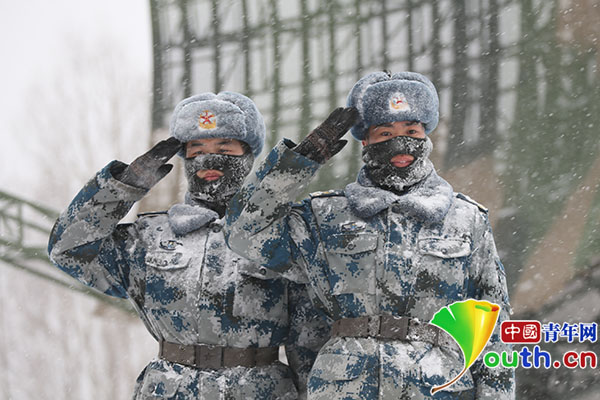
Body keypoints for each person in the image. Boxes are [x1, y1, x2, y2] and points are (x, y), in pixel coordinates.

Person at [224, 72, 515, 399]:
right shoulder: (326, 216)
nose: (400, 142)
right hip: (347, 387)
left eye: (412, 130)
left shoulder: (466, 219)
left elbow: (495, 328)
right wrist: (302, 160)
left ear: (428, 135)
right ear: (365, 142)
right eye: (385, 132)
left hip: (438, 386)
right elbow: (243, 232)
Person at [47, 92, 328, 399]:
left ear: (248, 155)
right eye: (196, 149)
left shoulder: (279, 237)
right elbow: (68, 250)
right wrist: (121, 187)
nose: (209, 159)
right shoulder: (149, 237)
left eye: (224, 147)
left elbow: (309, 337)